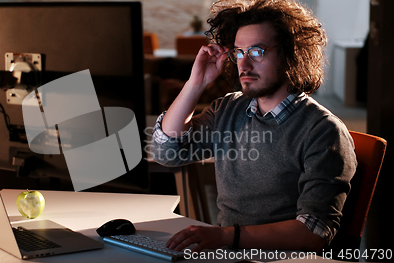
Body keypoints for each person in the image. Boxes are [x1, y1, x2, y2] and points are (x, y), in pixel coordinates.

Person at [150, 0, 357, 253]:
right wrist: (196, 83)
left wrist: (225, 237)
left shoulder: (324, 131)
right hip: (226, 253)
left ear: (290, 54)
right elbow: (165, 153)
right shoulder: (228, 109)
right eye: (238, 53)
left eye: (257, 52)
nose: (244, 66)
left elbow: (313, 232)